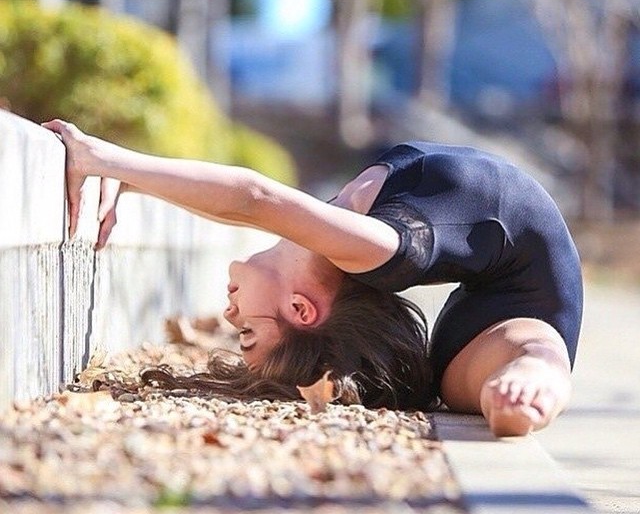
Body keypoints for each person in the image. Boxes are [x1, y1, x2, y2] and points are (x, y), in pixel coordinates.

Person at [42, 119, 583, 437]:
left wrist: (133, 178)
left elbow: (252, 209)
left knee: (477, 386)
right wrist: (109, 161)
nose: (230, 314)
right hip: (529, 308)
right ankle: (540, 378)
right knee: (534, 349)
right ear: (302, 311)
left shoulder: (343, 241)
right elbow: (253, 200)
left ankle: (522, 393)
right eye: (248, 331)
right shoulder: (378, 251)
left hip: (477, 322)